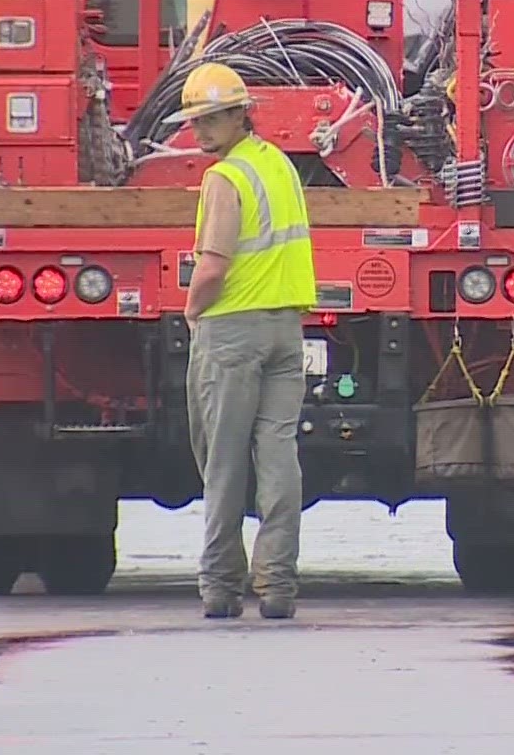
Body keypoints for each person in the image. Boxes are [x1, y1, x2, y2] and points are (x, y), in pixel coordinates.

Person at [178, 63, 319, 619]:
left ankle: (220, 589)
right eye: (197, 120)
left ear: (241, 113)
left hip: (233, 330)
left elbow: (213, 265)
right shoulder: (278, 164)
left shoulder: (225, 178)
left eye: (213, 118)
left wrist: (193, 309)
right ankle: (278, 587)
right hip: (286, 329)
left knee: (224, 461)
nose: (202, 130)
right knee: (279, 456)